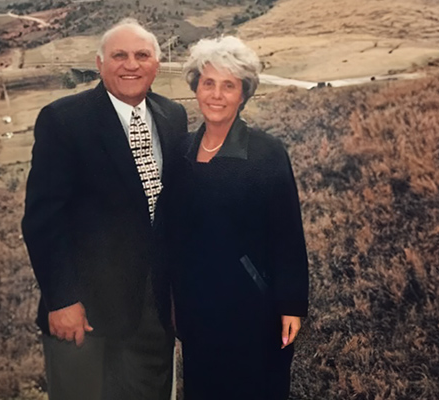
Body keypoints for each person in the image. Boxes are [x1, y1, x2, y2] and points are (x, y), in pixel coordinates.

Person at [21, 18, 187, 400]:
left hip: (152, 312)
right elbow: (43, 220)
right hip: (85, 312)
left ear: (156, 65)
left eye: (142, 55)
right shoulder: (63, 120)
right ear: (99, 63)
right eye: (119, 55)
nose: (131, 64)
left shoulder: (172, 117)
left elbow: (173, 214)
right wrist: (62, 299)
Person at [165, 36, 309, 400]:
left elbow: (288, 234)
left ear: (243, 94)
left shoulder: (266, 153)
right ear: (195, 87)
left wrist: (291, 304)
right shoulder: (181, 151)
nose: (216, 94)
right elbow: (171, 233)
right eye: (208, 83)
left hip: (252, 309)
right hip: (197, 311)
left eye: (228, 85)